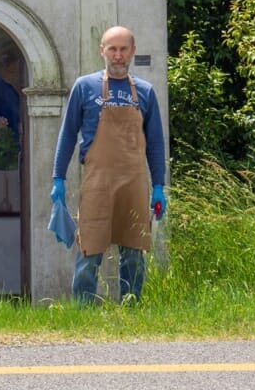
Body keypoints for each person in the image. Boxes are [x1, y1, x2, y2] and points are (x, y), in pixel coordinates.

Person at [51, 25, 166, 304]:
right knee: (89, 249)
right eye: (112, 49)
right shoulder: (84, 86)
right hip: (97, 182)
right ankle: (84, 311)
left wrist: (159, 185)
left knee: (134, 252)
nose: (117, 55)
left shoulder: (146, 92)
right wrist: (58, 178)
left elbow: (155, 143)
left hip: (134, 182)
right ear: (102, 51)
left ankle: (131, 307)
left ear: (132, 52)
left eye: (123, 49)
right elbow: (67, 135)